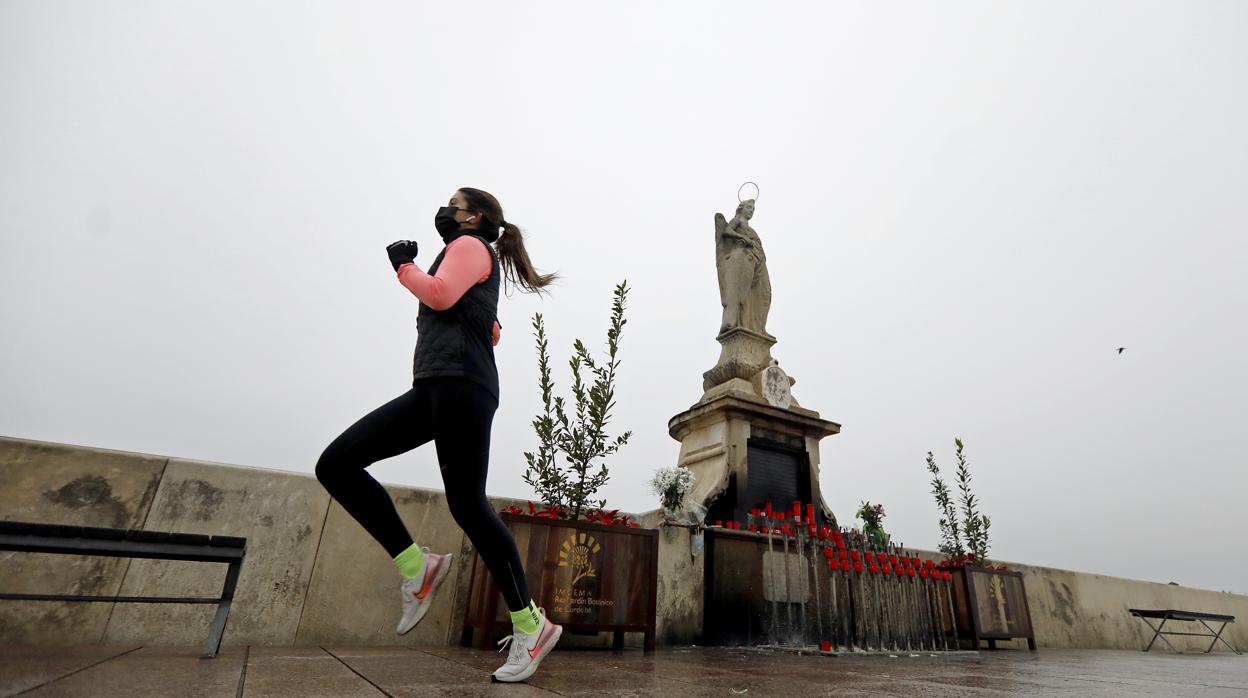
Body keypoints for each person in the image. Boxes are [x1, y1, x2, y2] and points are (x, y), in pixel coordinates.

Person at [315, 187, 561, 683]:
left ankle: (529, 623)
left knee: (468, 505)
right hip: (438, 386)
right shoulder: (466, 253)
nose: (444, 210)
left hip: (459, 386)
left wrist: (404, 267)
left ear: (473, 217)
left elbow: (441, 293)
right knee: (337, 464)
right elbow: (478, 321)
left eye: (454, 204)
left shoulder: (468, 246)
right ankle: (417, 567)